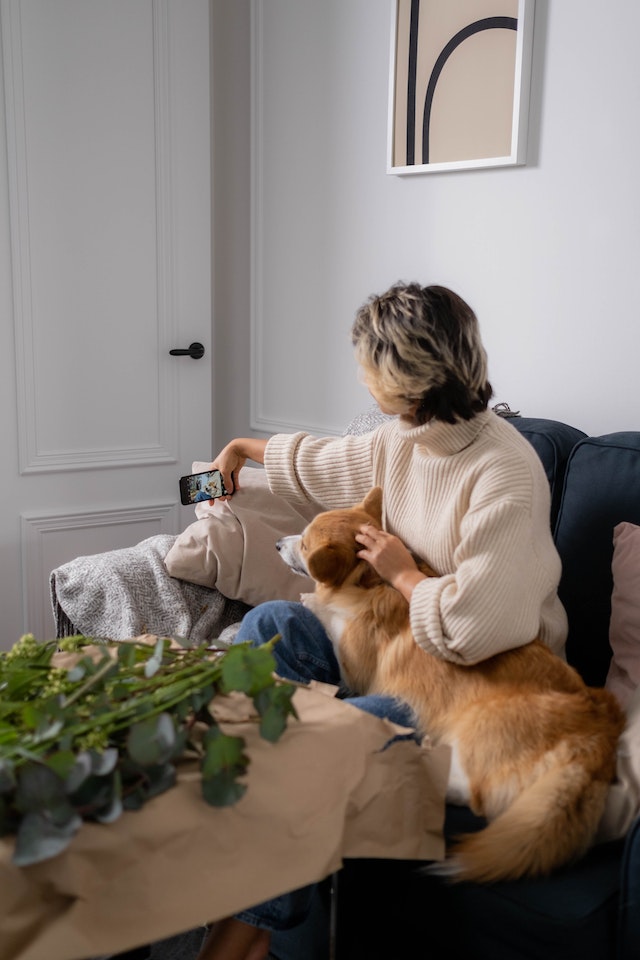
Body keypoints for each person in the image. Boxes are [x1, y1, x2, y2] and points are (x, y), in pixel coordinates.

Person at [195, 282, 568, 960]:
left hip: (476, 687)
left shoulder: (506, 472)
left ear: (399, 380)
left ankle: (239, 936)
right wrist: (240, 451)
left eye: (367, 367)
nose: (362, 380)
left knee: (321, 750)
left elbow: (474, 631)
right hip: (395, 652)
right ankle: (249, 791)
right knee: (273, 624)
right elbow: (319, 464)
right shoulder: (403, 440)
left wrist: (402, 573)